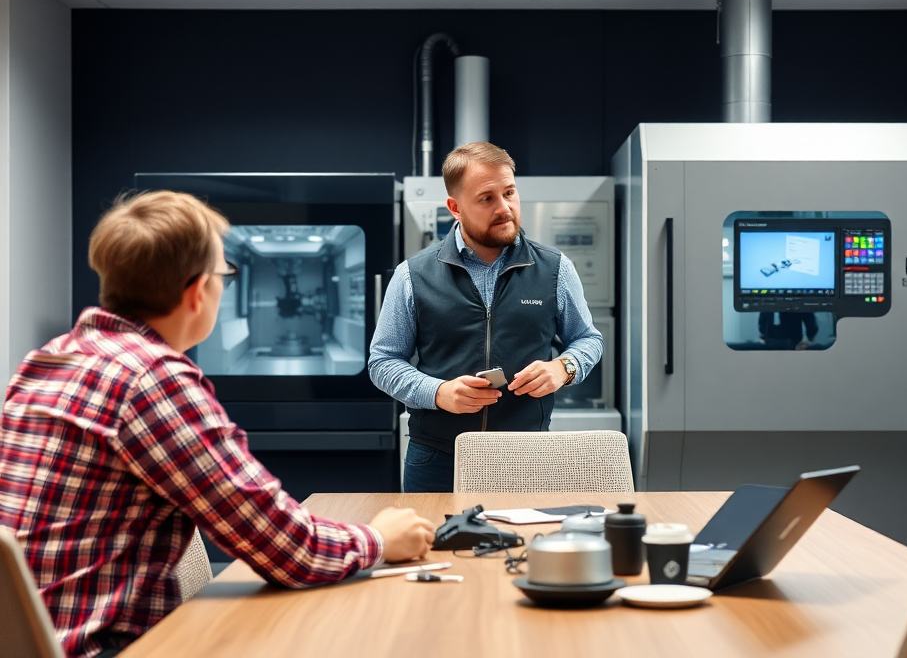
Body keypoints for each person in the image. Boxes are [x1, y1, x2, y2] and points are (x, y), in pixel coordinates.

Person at [0, 191, 434, 658]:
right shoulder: (152, 379)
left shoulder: (46, 360)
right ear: (196, 292)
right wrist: (380, 539)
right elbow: (284, 546)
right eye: (225, 276)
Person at [369, 142, 604, 492]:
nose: (504, 207)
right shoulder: (412, 275)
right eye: (486, 198)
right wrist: (437, 392)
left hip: (528, 457)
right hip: (437, 460)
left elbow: (588, 339)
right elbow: (383, 362)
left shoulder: (555, 269)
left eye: (509, 192)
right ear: (455, 208)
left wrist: (563, 368)